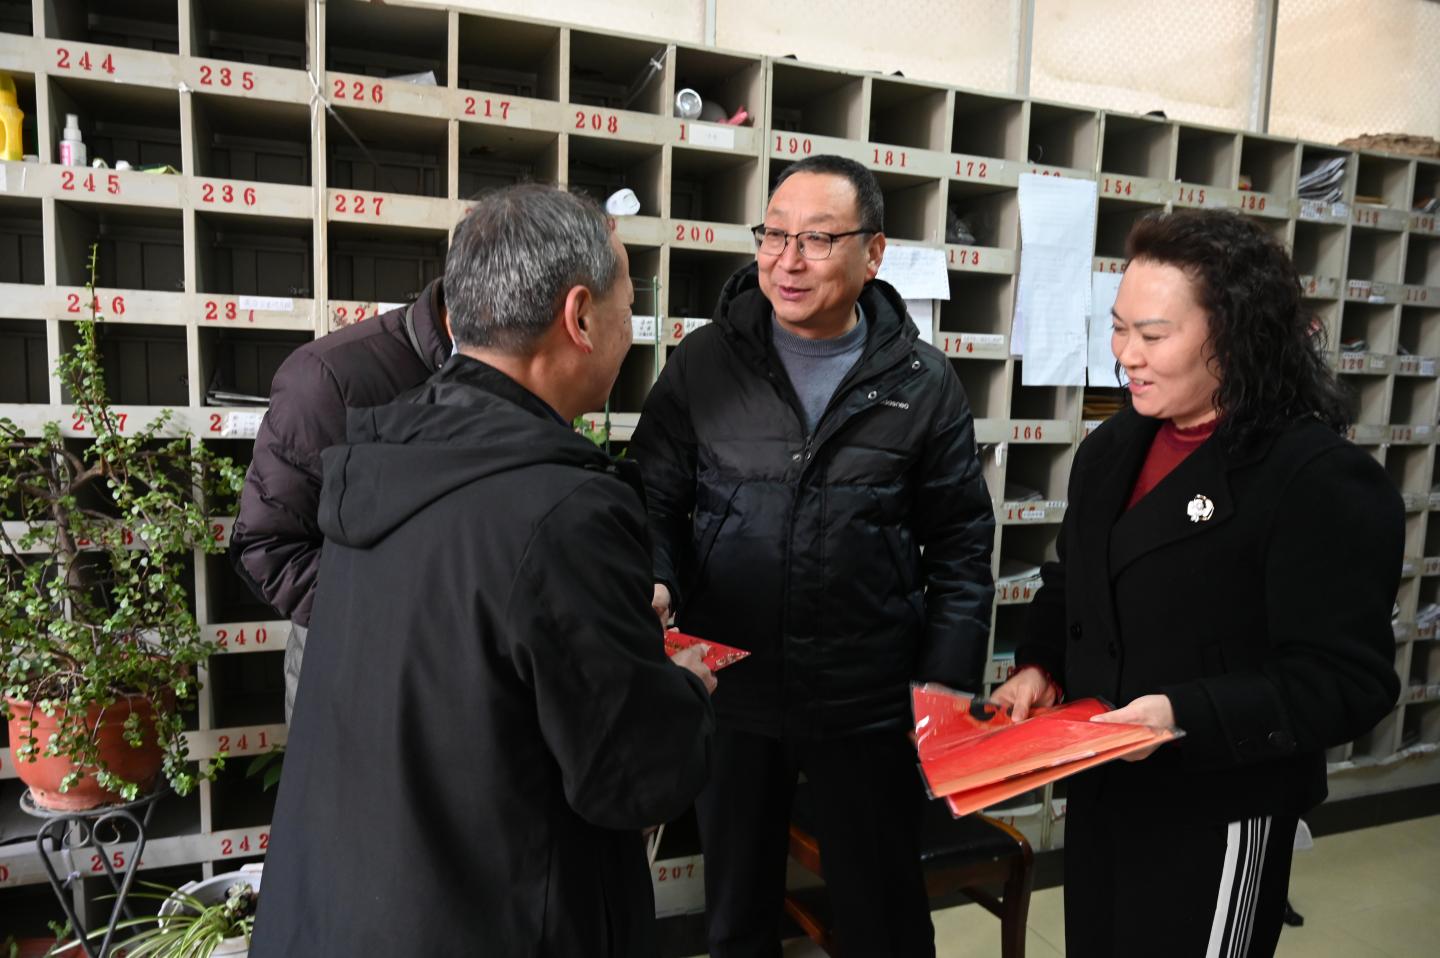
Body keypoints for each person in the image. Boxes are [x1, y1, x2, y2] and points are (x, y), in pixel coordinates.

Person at [250, 185, 716, 958]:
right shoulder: (562, 509)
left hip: (348, 912)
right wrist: (686, 690)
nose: (630, 330)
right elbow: (633, 776)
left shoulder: (379, 459)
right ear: (579, 317)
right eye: (630, 304)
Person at [991, 209, 1402, 958]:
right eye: (1119, 329)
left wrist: (1182, 714)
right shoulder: (1113, 445)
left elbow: (1347, 680)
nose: (1127, 355)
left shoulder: (1314, 478)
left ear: (1236, 337)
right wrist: (1040, 665)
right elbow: (1075, 577)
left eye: (1153, 336)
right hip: (1105, 788)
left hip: (1218, 806)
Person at [631, 154, 996, 957]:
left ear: (873, 253)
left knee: (883, 915)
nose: (787, 261)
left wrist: (945, 683)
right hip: (732, 686)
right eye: (774, 235)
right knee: (737, 914)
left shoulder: (922, 381)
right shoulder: (703, 362)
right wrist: (656, 577)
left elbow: (962, 542)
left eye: (818, 239)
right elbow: (651, 496)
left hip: (867, 695)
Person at [230, 278, 451, 721]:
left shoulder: (516, 374)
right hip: (348, 671)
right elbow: (267, 549)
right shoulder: (326, 377)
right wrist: (409, 616)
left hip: (451, 675)